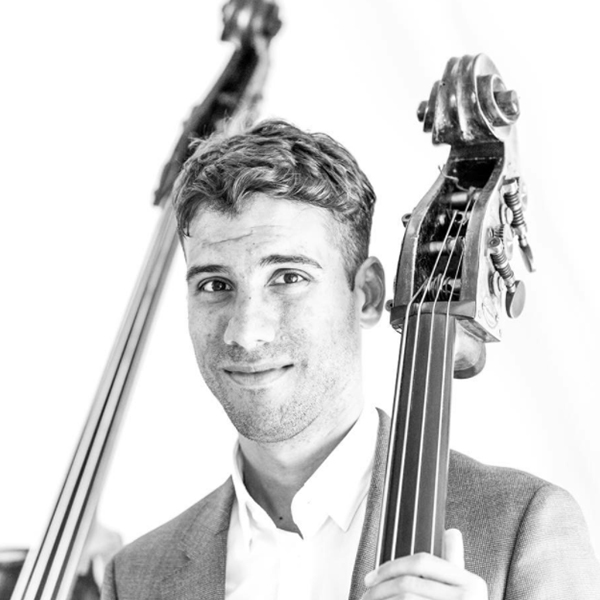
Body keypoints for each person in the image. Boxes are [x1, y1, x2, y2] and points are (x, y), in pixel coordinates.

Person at [101, 119, 600, 600]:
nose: (245, 332)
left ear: (367, 295)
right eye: (215, 285)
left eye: (289, 278)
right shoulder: (137, 578)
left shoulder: (524, 526)